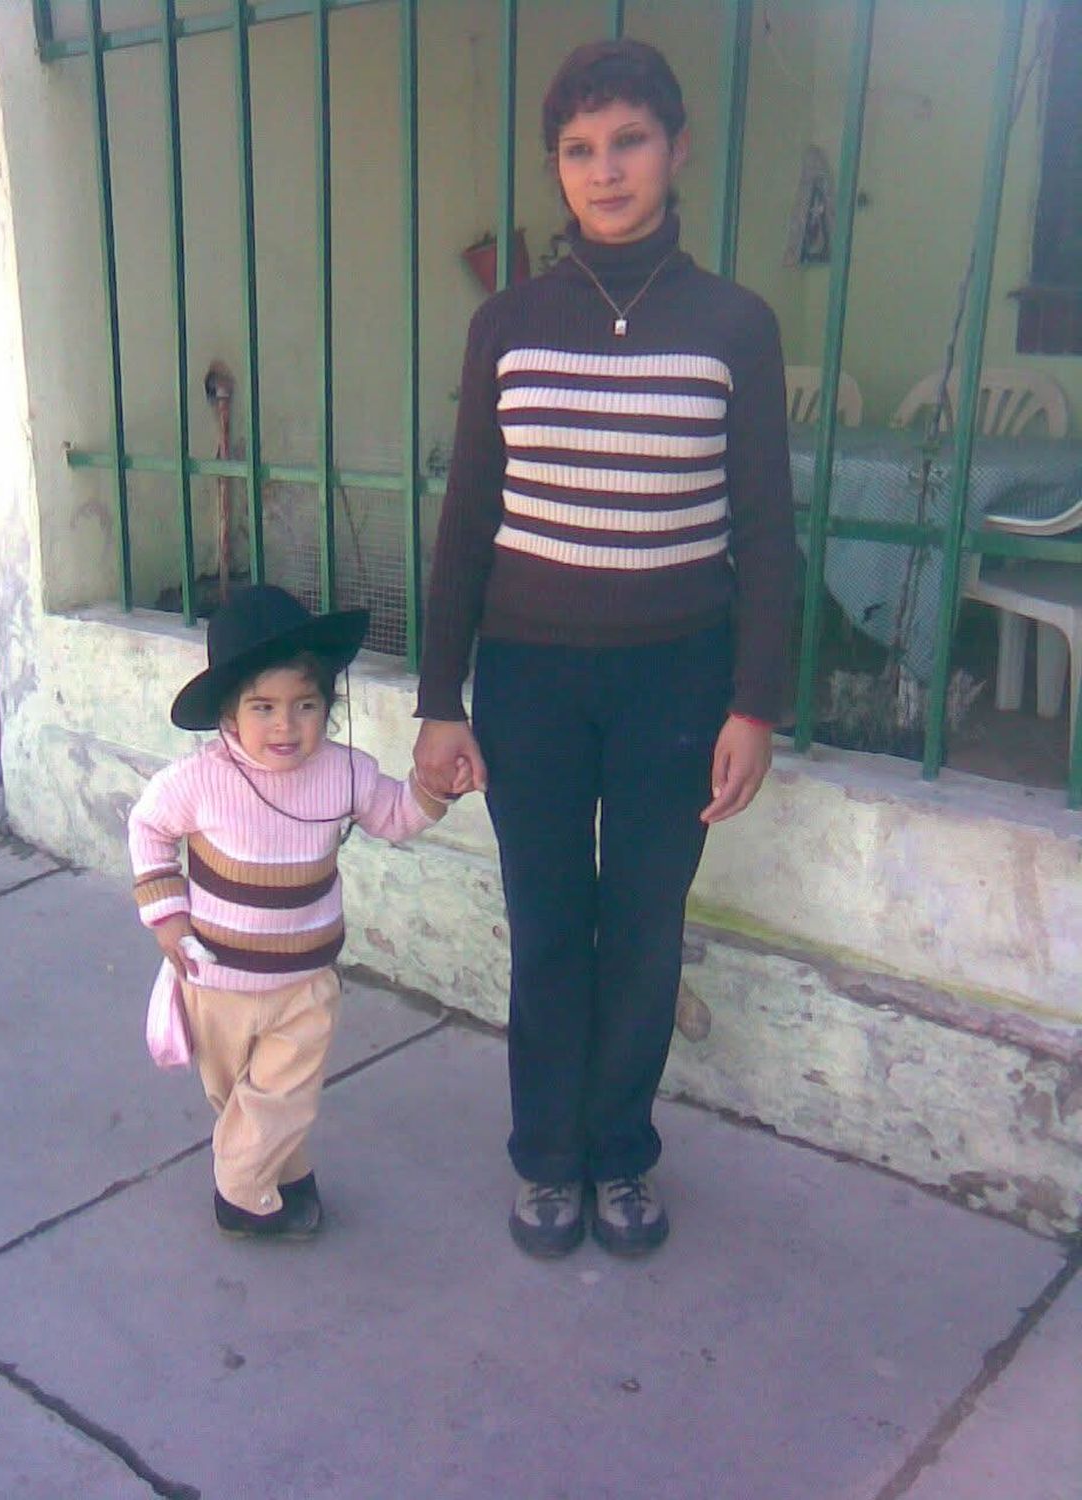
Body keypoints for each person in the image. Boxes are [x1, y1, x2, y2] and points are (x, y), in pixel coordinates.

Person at [414, 39, 796, 1259]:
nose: (606, 170)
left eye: (629, 141)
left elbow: (766, 533)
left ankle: (622, 1153)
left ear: (676, 149)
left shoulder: (734, 324)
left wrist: (755, 705)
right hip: (528, 680)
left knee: (642, 925)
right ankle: (546, 1157)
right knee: (544, 919)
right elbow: (468, 524)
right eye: (578, 150)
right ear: (557, 168)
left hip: (677, 683)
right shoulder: (509, 326)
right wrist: (439, 699)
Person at [129, 585, 449, 1240]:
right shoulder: (197, 781)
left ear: (327, 707)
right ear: (229, 712)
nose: (285, 725)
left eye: (305, 706)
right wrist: (167, 913)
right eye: (264, 707)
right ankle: (286, 1174)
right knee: (237, 1098)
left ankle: (240, 1195)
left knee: (281, 1095)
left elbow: (398, 815)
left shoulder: (345, 773)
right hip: (214, 982)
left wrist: (436, 787)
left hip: (304, 985)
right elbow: (148, 829)